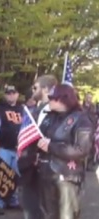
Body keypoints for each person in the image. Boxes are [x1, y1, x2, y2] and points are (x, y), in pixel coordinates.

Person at [36, 84, 93, 219]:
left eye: (51, 97)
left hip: (67, 177)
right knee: (48, 214)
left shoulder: (81, 119)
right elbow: (41, 137)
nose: (48, 100)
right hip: (46, 173)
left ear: (62, 99)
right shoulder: (50, 117)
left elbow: (81, 149)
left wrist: (51, 146)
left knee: (67, 215)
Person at [17, 75, 57, 219]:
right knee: (29, 207)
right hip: (29, 167)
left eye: (35, 87)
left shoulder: (56, 112)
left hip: (46, 168)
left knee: (46, 210)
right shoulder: (33, 110)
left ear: (45, 89)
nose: (32, 90)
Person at [0, 85, 23, 214]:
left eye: (13, 92)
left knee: (15, 177)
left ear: (17, 94)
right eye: (8, 93)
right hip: (3, 148)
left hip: (17, 149)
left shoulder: (22, 109)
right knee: (1, 176)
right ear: (5, 95)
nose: (11, 95)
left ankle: (12, 200)